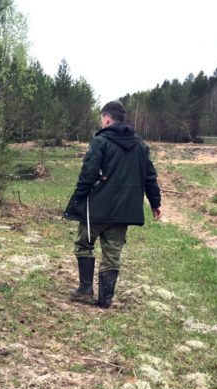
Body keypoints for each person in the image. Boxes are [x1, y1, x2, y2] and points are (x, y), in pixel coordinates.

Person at [63, 100, 161, 308]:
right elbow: (150, 177)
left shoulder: (100, 142)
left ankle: (85, 289)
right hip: (124, 211)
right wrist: (155, 203)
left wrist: (78, 198)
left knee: (83, 245)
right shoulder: (141, 146)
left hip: (97, 208)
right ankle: (105, 300)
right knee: (112, 253)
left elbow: (88, 174)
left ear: (107, 118)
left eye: (101, 119)